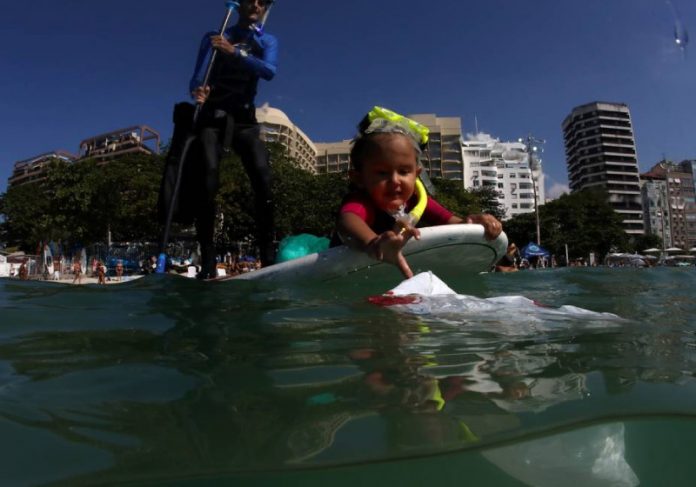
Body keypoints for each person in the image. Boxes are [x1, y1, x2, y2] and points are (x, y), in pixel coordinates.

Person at [159, 0, 278, 280]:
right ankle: (209, 262)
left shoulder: (266, 40)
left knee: (263, 177)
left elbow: (269, 71)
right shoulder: (216, 35)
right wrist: (197, 92)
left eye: (263, 1)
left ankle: (268, 258)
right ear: (241, 3)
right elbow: (197, 77)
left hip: (244, 120)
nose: (256, 4)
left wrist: (234, 53)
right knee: (208, 179)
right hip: (212, 117)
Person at [333, 108, 503, 278]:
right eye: (382, 173)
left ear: (417, 174)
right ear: (359, 178)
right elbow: (348, 221)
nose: (395, 180)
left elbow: (455, 223)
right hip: (343, 271)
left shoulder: (418, 200)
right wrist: (373, 243)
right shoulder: (362, 201)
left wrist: (474, 221)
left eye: (404, 171)